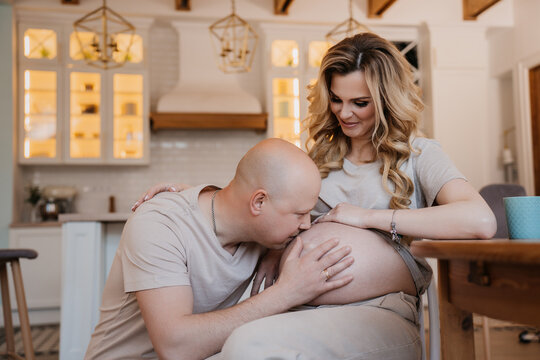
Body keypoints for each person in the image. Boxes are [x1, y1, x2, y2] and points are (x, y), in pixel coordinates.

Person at [134, 32, 497, 359]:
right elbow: (264, 201)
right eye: (337, 99)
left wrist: (364, 216)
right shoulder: (319, 159)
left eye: (360, 102)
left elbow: (479, 221)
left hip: (377, 311)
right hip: (294, 307)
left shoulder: (419, 155)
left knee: (249, 346)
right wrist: (195, 197)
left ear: (387, 100)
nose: (344, 112)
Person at [84, 138, 355, 360]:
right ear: (258, 203)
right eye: (300, 214)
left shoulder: (260, 229)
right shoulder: (158, 224)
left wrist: (276, 252)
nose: (306, 224)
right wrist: (287, 292)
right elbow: (174, 347)